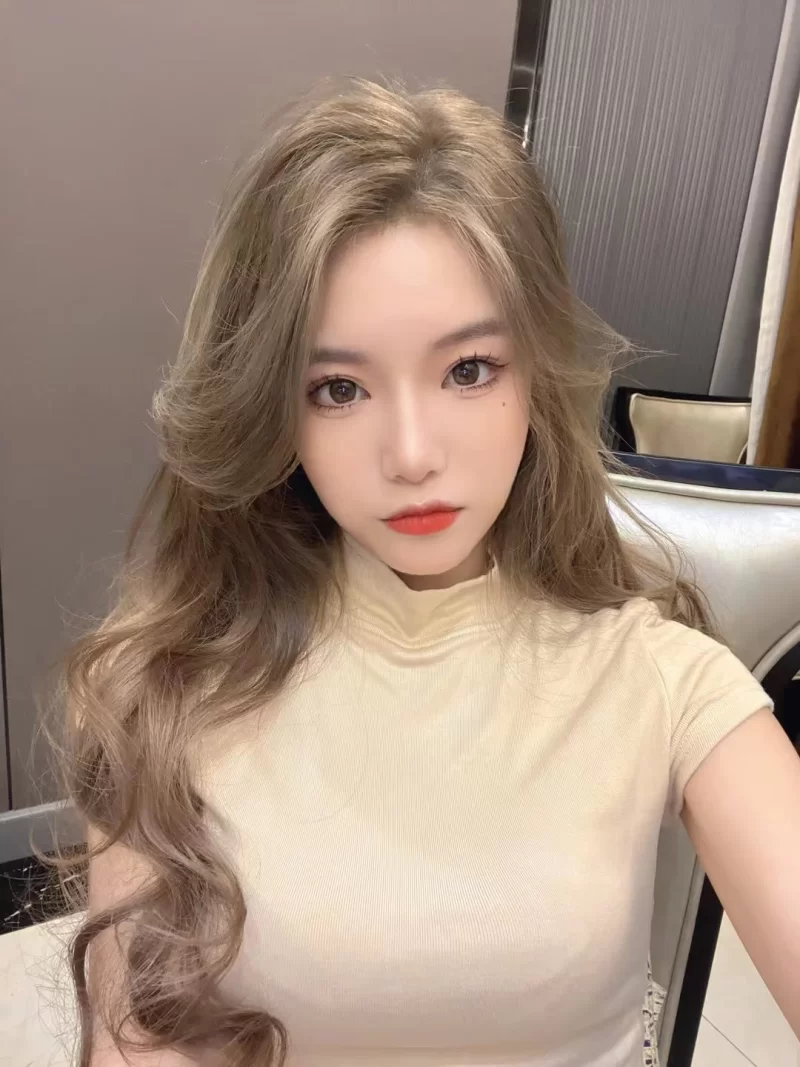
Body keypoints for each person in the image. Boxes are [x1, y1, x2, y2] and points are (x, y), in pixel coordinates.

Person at [37, 78, 800, 1067]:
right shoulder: (157, 691)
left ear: (535, 371)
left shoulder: (658, 679)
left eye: (467, 370)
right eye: (338, 388)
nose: (410, 453)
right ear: (272, 404)